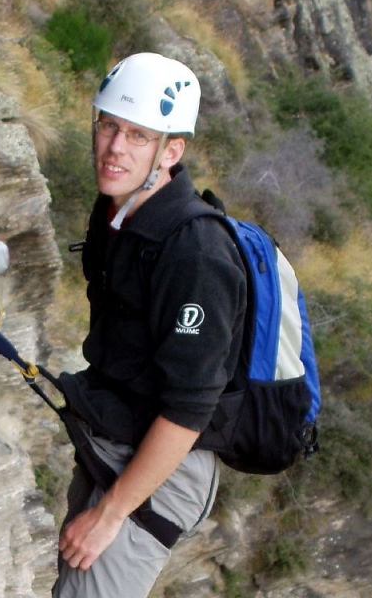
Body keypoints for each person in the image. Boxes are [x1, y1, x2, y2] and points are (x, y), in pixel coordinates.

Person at [52, 52, 248, 597]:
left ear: (172, 151)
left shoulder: (196, 253)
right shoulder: (117, 211)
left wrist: (112, 513)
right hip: (116, 435)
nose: (115, 148)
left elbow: (188, 409)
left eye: (138, 135)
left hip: (163, 468)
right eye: (109, 125)